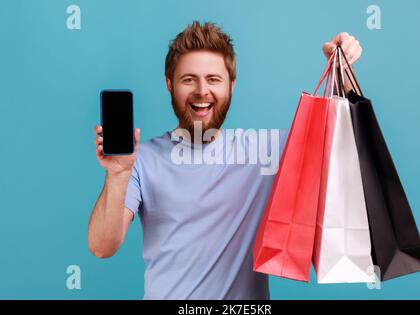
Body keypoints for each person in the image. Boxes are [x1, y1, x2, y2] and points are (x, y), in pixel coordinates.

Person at [88, 21, 362, 299]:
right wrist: (118, 174)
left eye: (213, 79)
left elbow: (346, 142)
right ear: (170, 85)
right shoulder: (142, 160)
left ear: (231, 85)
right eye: (188, 79)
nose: (201, 91)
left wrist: (342, 72)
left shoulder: (266, 151)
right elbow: (102, 246)